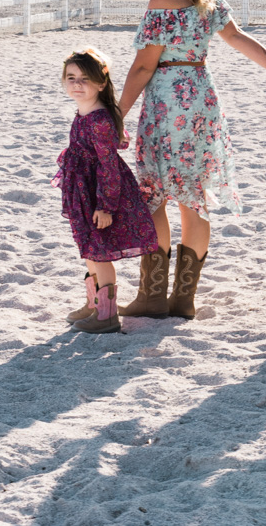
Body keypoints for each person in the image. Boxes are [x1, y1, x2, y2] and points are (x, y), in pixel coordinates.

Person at [118, 0, 266, 319]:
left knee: (153, 196)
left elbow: (142, 67)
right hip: (200, 98)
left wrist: (116, 115)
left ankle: (151, 297)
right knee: (193, 200)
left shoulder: (161, 1)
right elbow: (235, 37)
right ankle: (183, 299)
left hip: (168, 103)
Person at [55, 48, 159, 334]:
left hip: (99, 193)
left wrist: (106, 206)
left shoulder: (99, 121)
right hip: (83, 190)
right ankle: (93, 304)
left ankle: (106, 315)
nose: (77, 84)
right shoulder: (83, 112)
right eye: (71, 77)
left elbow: (109, 166)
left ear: (101, 83)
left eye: (84, 79)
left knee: (99, 252)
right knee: (88, 246)